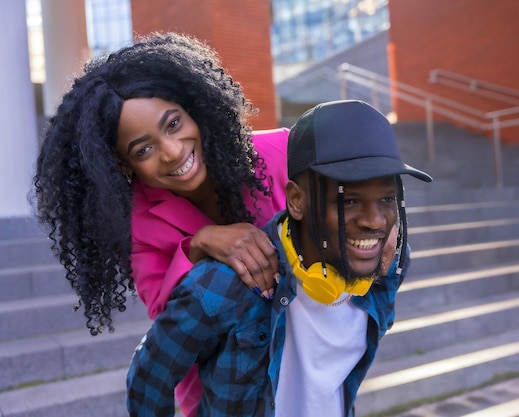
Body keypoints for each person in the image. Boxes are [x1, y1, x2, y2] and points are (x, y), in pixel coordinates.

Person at [31, 32, 289, 417]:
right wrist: (200, 242)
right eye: (143, 149)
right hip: (218, 395)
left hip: (303, 372)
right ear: (123, 165)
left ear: (193, 109)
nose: (172, 152)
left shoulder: (280, 154)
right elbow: (171, 315)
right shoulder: (136, 224)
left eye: (173, 123)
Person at [126, 99, 433, 417]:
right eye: (350, 200)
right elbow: (149, 378)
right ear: (296, 201)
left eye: (387, 199)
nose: (374, 220)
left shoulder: (389, 266)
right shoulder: (223, 286)